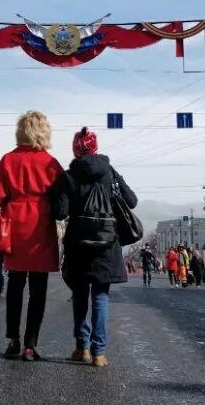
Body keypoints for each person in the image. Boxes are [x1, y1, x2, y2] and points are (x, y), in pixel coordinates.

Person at [51, 126, 137, 368]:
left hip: (79, 245)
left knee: (80, 296)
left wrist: (58, 192)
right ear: (95, 146)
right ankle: (99, 353)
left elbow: (60, 213)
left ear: (75, 149)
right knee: (100, 296)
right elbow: (132, 201)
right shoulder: (109, 172)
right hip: (106, 244)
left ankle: (82, 348)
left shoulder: (70, 176)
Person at [0, 110, 64, 362]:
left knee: (15, 285)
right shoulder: (50, 162)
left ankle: (13, 339)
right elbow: (64, 193)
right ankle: (31, 344)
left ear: (21, 132)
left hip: (15, 226)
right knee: (38, 289)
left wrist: (10, 199)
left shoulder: (8, 160)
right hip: (40, 226)